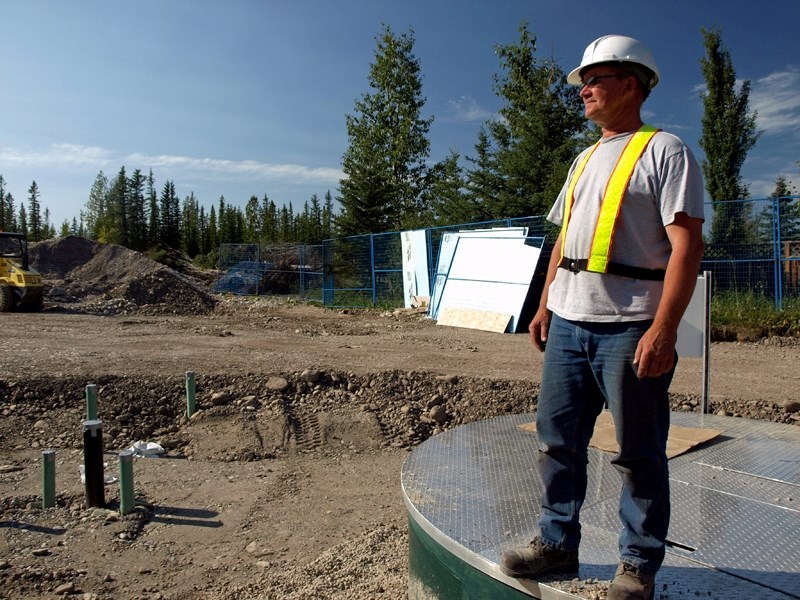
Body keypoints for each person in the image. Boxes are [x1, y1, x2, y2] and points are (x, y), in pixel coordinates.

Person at [500, 35, 705, 600]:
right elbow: (566, 239)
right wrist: (544, 305)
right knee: (556, 439)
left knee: (638, 451)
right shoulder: (584, 158)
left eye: (595, 78)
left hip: (633, 324)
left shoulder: (666, 151)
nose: (584, 89)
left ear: (632, 83)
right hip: (569, 320)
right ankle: (557, 543)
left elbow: (687, 245)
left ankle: (637, 563)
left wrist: (665, 329)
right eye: (583, 81)